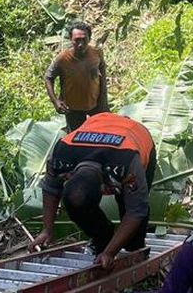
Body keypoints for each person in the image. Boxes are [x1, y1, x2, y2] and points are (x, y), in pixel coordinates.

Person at [28, 113, 157, 272]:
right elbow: (51, 189)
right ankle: (103, 237)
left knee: (131, 231)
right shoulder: (61, 154)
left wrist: (110, 253)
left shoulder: (126, 163)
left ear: (105, 188)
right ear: (69, 175)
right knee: (75, 202)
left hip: (135, 135)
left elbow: (136, 210)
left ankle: (135, 244)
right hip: (98, 123)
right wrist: (47, 229)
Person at [44, 21, 108, 132]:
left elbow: (102, 71)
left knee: (101, 134)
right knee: (77, 138)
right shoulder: (63, 59)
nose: (80, 44)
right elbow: (48, 77)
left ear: (89, 38)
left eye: (84, 39)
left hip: (96, 105)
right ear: (70, 39)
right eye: (77, 40)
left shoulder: (96, 53)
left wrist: (103, 99)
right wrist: (55, 101)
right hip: (73, 109)